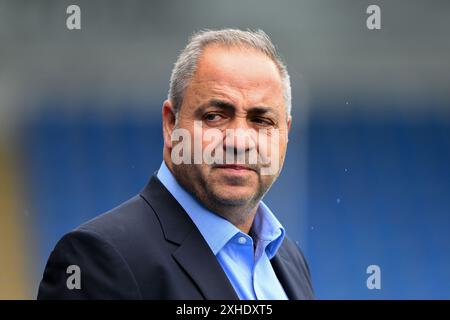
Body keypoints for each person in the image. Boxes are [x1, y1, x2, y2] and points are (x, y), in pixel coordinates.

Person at [37, 28, 314, 300]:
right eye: (215, 116)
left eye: (262, 121)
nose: (239, 142)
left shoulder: (288, 259)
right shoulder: (98, 258)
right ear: (171, 124)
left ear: (285, 133)